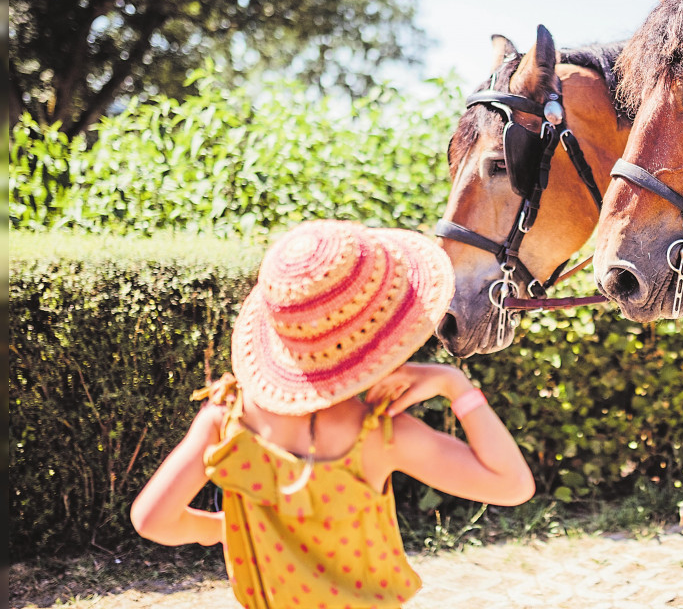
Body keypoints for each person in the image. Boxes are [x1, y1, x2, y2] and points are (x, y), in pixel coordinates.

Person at [131, 219, 535, 607]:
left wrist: (222, 529)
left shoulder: (226, 419)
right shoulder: (381, 436)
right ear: (381, 337)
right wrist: (455, 385)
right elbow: (511, 485)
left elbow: (152, 520)